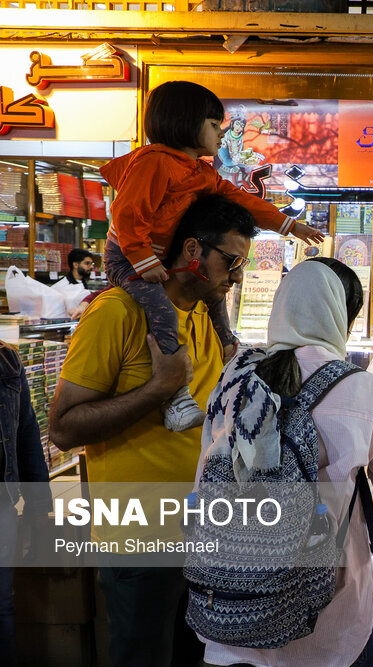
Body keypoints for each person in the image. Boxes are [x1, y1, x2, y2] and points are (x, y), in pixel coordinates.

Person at [48, 195, 259, 667]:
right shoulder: (116, 314)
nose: (238, 275)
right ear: (192, 251)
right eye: (231, 260)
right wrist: (157, 388)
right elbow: (62, 428)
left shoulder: (206, 314)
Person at [198, 258, 373, 667]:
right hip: (331, 627)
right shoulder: (365, 391)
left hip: (232, 619)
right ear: (338, 316)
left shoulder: (234, 378)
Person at [99, 80, 324, 433]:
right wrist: (144, 261)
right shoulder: (153, 163)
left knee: (215, 297)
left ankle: (228, 346)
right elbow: (127, 216)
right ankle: (175, 398)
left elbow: (241, 199)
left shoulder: (200, 172)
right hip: (126, 259)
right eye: (214, 125)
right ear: (187, 122)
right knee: (162, 314)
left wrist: (287, 225)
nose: (222, 134)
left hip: (155, 258)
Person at [0, 340, 53, 666]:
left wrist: (38, 509)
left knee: (2, 604)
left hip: (3, 501)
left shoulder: (7, 361)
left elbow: (27, 435)